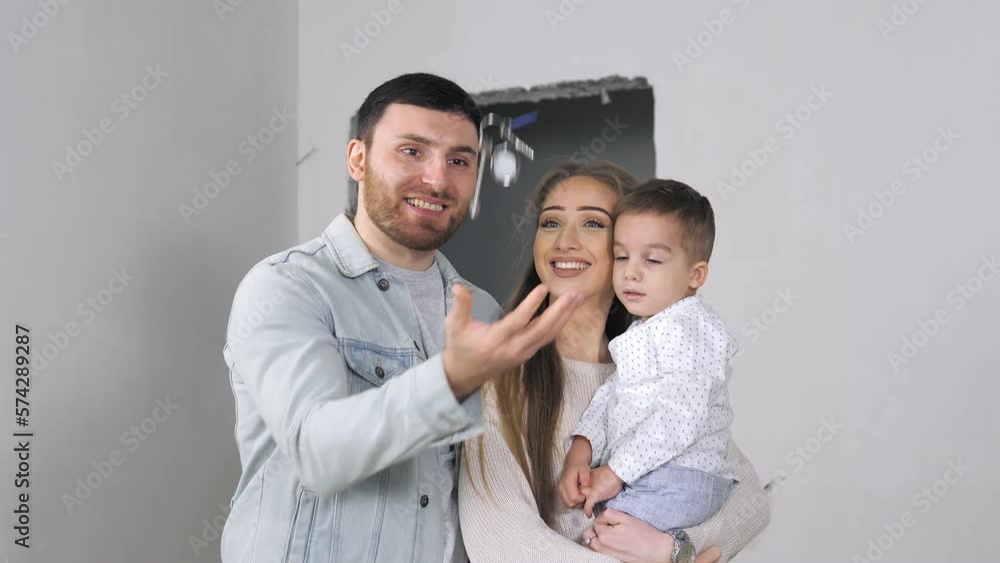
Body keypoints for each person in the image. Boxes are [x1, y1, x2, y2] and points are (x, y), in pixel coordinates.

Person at [220, 73, 582, 563]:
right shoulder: (287, 287)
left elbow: (491, 495)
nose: (437, 179)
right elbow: (316, 453)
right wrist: (450, 381)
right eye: (412, 151)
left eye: (459, 161)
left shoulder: (483, 312)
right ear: (358, 159)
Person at [459, 162, 770, 563]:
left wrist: (674, 550)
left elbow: (748, 500)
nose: (565, 241)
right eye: (551, 222)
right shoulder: (500, 382)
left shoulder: (656, 365)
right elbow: (501, 542)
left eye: (592, 223)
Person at [561, 179, 738, 536]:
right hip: (651, 472)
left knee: (605, 538)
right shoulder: (649, 327)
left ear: (695, 275)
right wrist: (582, 447)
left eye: (652, 259)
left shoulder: (690, 330)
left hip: (682, 475)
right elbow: (612, 395)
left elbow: (680, 417)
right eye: (621, 256)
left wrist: (616, 471)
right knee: (602, 536)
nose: (631, 272)